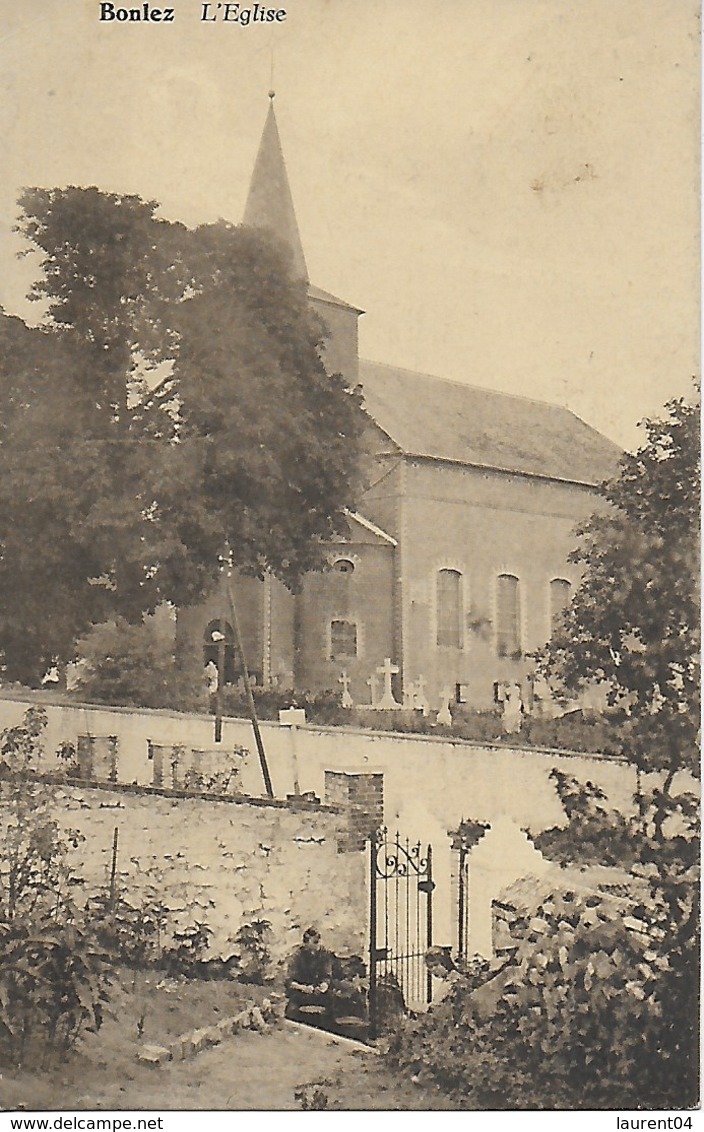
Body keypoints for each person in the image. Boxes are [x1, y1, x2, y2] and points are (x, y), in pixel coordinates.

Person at [285, 927, 334, 1021]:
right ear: (305, 943)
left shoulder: (324, 954)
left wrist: (324, 985)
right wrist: (302, 988)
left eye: (318, 942)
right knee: (291, 1011)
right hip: (300, 993)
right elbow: (289, 981)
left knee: (331, 1006)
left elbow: (327, 975)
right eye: (314, 942)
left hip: (318, 992)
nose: (317, 946)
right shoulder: (297, 956)